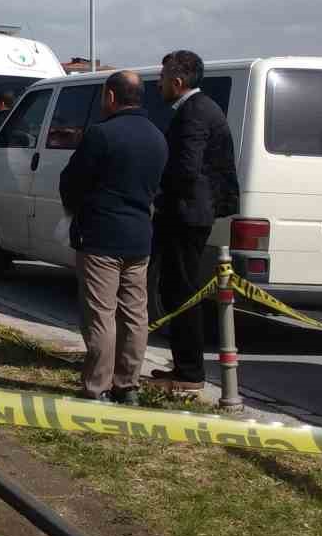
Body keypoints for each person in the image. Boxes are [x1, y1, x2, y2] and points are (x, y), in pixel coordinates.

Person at [57, 71, 168, 403]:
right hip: (139, 238)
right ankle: (128, 384)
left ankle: (96, 386)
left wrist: (77, 209)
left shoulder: (101, 135)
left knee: (101, 314)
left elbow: (72, 182)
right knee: (135, 314)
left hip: (101, 236)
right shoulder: (157, 137)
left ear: (110, 97)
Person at [148, 50, 239, 392]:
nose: (157, 85)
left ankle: (189, 373)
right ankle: (184, 366)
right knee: (174, 289)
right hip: (190, 211)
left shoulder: (194, 113)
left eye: (161, 78)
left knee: (181, 291)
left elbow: (186, 168)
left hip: (186, 214)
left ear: (177, 81)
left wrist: (156, 194)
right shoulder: (197, 109)